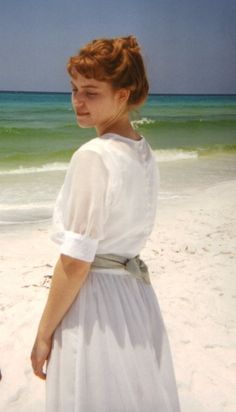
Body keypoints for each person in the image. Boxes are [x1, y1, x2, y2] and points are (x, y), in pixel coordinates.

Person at [31, 35, 181, 412]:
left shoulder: (94, 156)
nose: (77, 101)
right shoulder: (142, 150)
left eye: (91, 92)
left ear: (123, 95)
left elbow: (76, 261)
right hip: (135, 299)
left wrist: (43, 334)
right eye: (74, 89)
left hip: (96, 303)